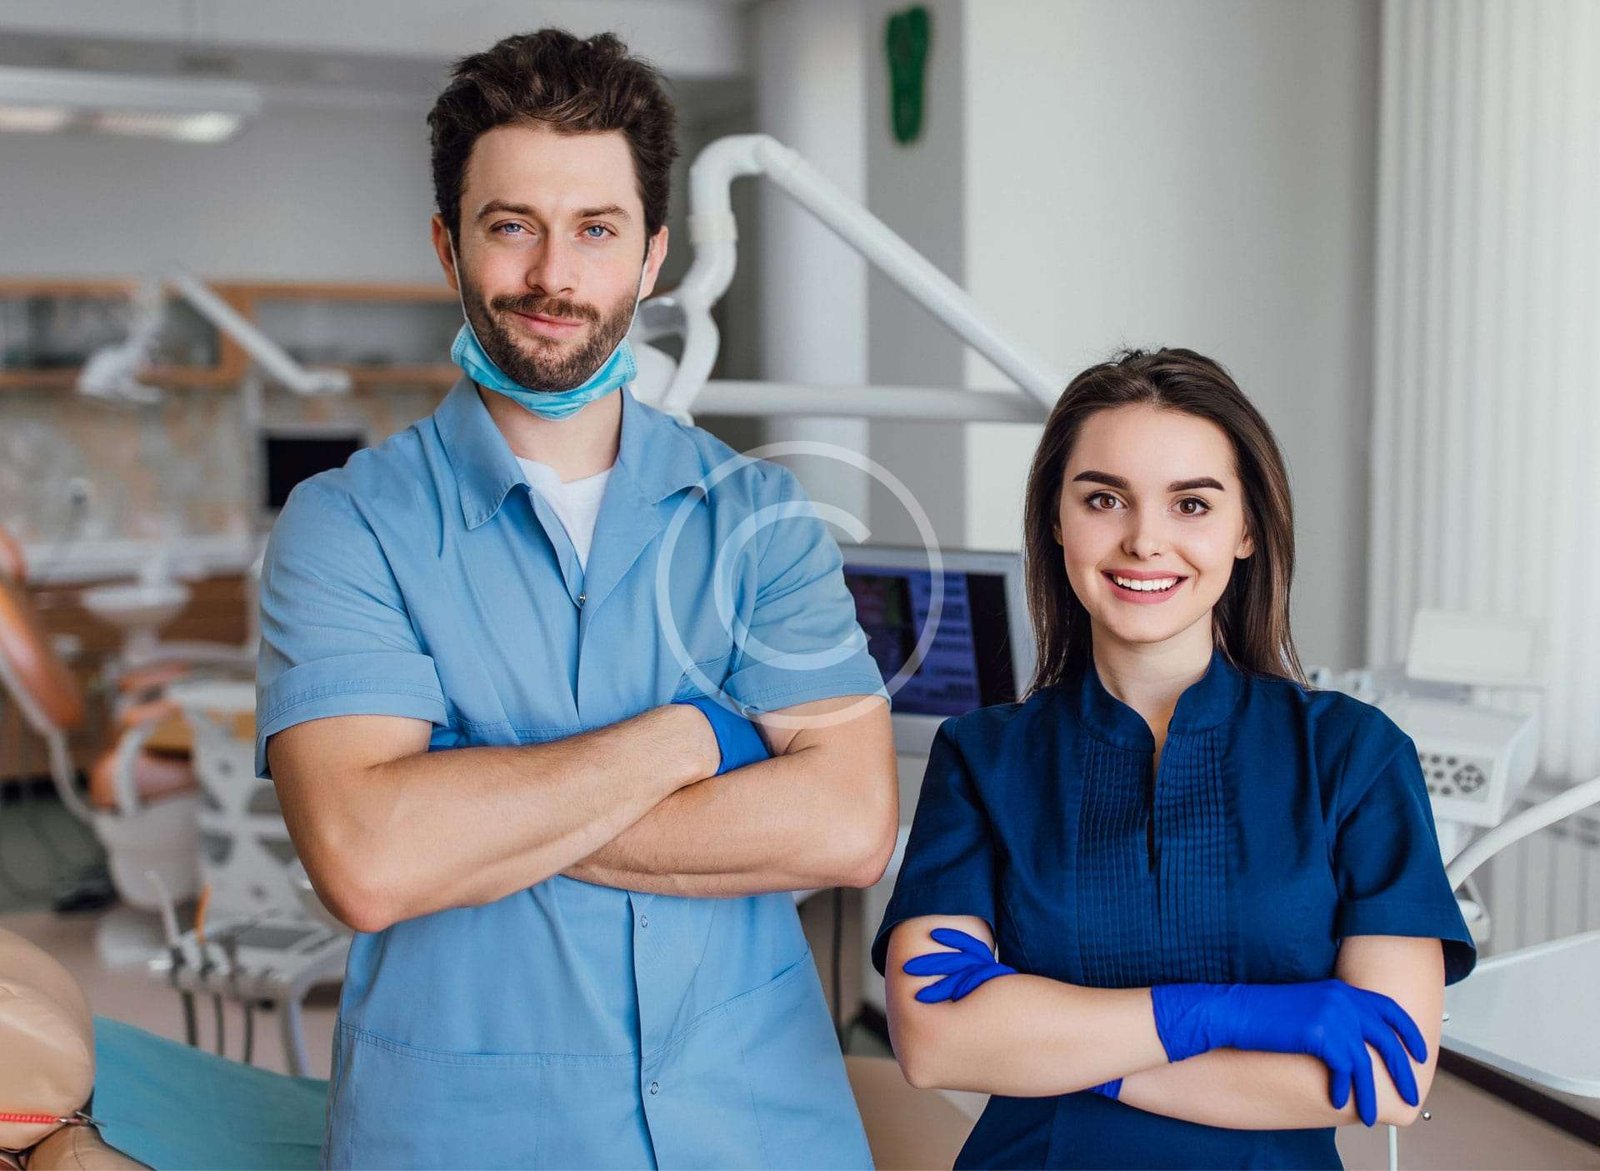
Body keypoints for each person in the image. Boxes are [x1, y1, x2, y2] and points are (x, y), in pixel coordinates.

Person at [256, 29, 896, 1169]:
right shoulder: (346, 526)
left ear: (650, 258)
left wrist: (477, 807)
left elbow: (847, 824)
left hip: (756, 1127)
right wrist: (695, 737)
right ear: (449, 244)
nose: (555, 276)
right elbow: (371, 860)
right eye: (513, 226)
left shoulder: (759, 516)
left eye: (596, 230)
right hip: (468, 1136)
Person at [872, 348, 1475, 1169]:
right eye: (1103, 498)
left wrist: (1059, 1051)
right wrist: (1219, 1014)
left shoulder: (1353, 756)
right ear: (1056, 520)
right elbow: (935, 1041)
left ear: (1247, 529)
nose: (1144, 540)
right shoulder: (983, 757)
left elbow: (1385, 1073)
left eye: (1191, 503)